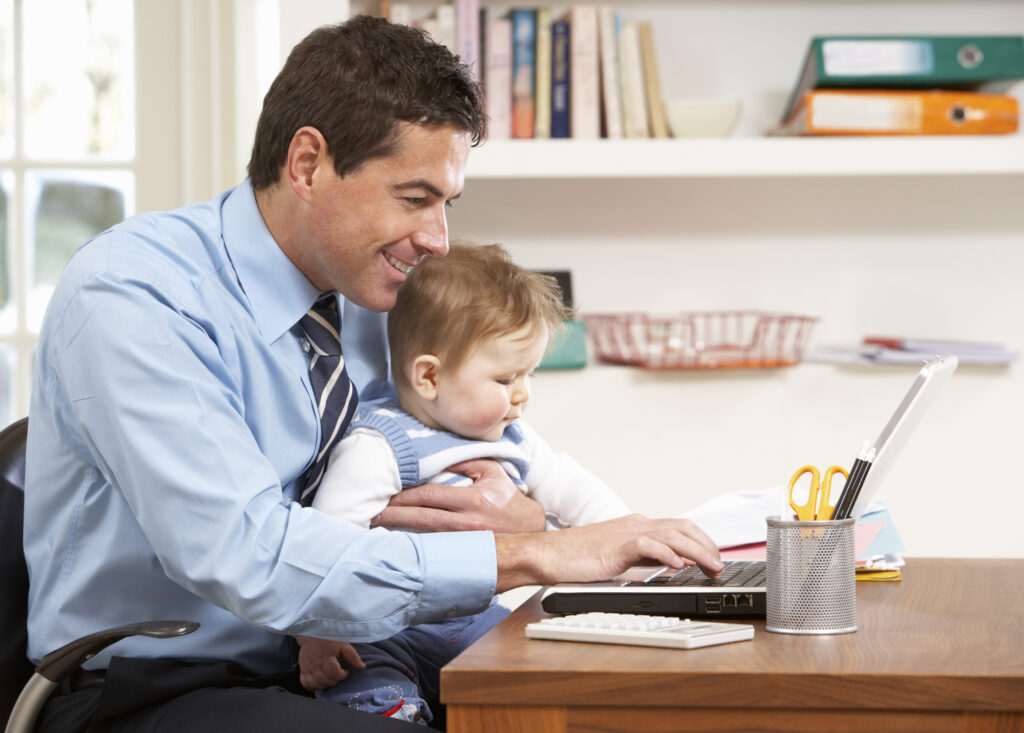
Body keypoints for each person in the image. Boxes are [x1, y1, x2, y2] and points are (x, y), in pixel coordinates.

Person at [23, 15, 723, 733]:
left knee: (635, 707)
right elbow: (247, 555)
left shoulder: (382, 298)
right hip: (157, 683)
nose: (438, 240)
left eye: (447, 204)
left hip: (360, 652)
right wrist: (531, 552)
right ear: (307, 165)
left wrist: (530, 520)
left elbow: (479, 455)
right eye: (414, 199)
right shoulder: (136, 293)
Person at [298, 243, 633, 723]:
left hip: (472, 619)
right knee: (364, 676)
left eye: (529, 375)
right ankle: (396, 712)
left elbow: (577, 492)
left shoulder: (513, 440)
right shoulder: (379, 443)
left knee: (535, 654)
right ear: (429, 376)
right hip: (380, 625)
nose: (523, 395)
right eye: (505, 379)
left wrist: (631, 537)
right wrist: (317, 634)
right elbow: (328, 542)